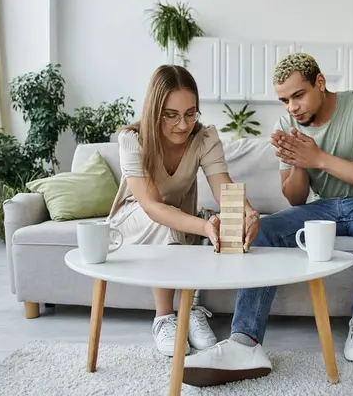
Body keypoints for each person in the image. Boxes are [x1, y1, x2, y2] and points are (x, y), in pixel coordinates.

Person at [182, 53, 353, 386]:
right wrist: (300, 163)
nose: (291, 107)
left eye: (298, 95)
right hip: (322, 210)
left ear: (320, 83)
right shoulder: (286, 125)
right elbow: (294, 198)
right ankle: (245, 342)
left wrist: (318, 157)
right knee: (263, 229)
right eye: (284, 100)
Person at [107, 64, 261, 357]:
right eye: (171, 115)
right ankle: (164, 317)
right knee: (173, 223)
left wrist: (249, 213)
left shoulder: (204, 138)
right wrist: (202, 227)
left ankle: (189, 311)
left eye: (191, 113)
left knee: (207, 222)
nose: (183, 124)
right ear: (155, 111)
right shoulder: (132, 139)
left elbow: (222, 186)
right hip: (135, 219)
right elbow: (151, 205)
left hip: (177, 216)